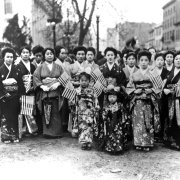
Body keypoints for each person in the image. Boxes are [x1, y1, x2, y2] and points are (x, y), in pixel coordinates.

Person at [126, 50, 161, 151]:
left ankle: (147, 142)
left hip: (149, 100)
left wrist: (152, 90)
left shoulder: (153, 73)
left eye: (146, 60)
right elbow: (129, 87)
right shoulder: (134, 74)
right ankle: (138, 142)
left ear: (149, 61)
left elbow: (159, 86)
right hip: (137, 101)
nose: (144, 62)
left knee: (148, 120)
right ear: (138, 62)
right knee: (138, 121)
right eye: (141, 60)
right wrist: (134, 91)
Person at [33, 48, 64, 138]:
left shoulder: (58, 66)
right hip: (45, 92)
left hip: (56, 92)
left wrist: (58, 83)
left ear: (54, 55)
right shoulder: (40, 67)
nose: (49, 55)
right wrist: (42, 86)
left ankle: (57, 133)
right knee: (46, 112)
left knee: (56, 112)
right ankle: (47, 132)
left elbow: (65, 77)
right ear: (44, 55)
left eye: (51, 54)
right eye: (47, 54)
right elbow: (35, 77)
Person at [0, 47, 24, 143]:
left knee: (14, 115)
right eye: (7, 57)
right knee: (5, 115)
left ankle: (14, 135)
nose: (9, 59)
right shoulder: (0, 70)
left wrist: (21, 95)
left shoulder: (16, 70)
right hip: (4, 97)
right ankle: (5, 136)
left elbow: (20, 84)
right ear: (3, 58)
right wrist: (4, 93)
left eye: (11, 57)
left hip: (15, 96)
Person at [70, 72, 99, 150]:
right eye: (82, 80)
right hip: (80, 111)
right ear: (79, 81)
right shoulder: (77, 90)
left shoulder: (92, 90)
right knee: (82, 127)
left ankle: (89, 142)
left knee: (89, 127)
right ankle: (83, 143)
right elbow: (74, 101)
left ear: (89, 81)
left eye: (86, 80)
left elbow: (95, 100)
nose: (84, 82)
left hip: (89, 111)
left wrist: (96, 107)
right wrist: (72, 103)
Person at [98, 89, 130, 153]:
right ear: (107, 98)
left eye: (114, 97)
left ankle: (118, 148)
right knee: (110, 135)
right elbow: (103, 116)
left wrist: (123, 120)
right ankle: (110, 148)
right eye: (110, 97)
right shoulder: (106, 106)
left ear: (117, 98)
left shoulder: (120, 106)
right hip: (109, 124)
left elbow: (124, 115)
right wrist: (105, 116)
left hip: (118, 124)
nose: (112, 99)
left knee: (118, 135)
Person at [16, 46, 37, 136]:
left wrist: (33, 86)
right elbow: (18, 80)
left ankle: (31, 129)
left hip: (31, 89)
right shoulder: (18, 66)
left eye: (27, 52)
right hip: (23, 89)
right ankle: (25, 129)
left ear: (30, 54)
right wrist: (22, 90)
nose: (25, 54)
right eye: (23, 52)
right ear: (20, 54)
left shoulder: (32, 65)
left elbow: (35, 77)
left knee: (31, 109)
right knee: (24, 109)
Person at [163, 51, 180, 150]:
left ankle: (178, 142)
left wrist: (174, 90)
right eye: (177, 59)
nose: (178, 61)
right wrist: (164, 89)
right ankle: (169, 140)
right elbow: (165, 84)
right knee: (169, 118)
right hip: (169, 99)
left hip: (178, 100)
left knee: (177, 119)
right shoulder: (170, 72)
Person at [152, 53, 169, 143]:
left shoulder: (167, 72)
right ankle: (154, 134)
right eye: (158, 60)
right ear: (155, 61)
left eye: (161, 60)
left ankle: (161, 134)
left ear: (164, 61)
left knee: (163, 114)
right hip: (153, 96)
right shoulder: (151, 71)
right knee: (153, 114)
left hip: (164, 96)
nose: (159, 62)